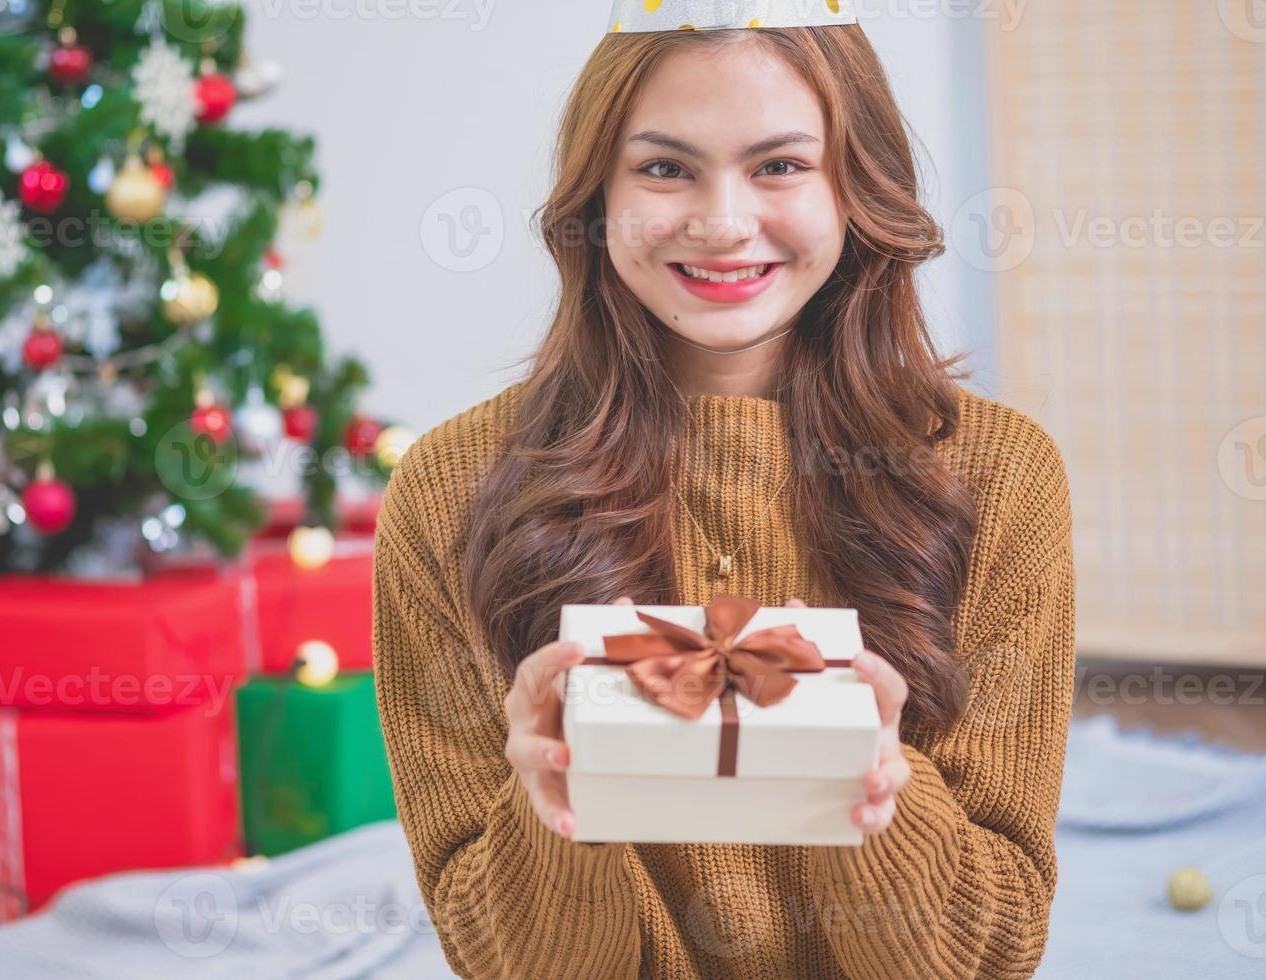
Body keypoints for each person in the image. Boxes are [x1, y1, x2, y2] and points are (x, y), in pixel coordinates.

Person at [371, 4, 1075, 977]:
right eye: (664, 167)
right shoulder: (450, 490)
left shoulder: (999, 475)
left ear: (856, 187)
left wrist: (871, 784)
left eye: (780, 165)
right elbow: (500, 958)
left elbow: (988, 953)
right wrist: (557, 811)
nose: (722, 222)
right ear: (596, 197)